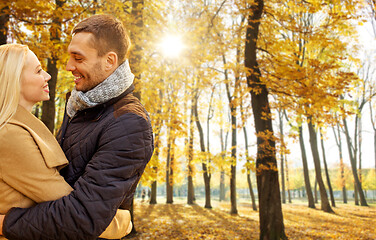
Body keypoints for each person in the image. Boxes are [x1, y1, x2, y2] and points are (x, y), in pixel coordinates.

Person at [0, 14, 153, 240]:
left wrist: (5, 223)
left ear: (110, 61)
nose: (68, 66)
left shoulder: (128, 123)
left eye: (78, 58)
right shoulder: (80, 107)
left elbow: (83, 217)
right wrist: (121, 222)